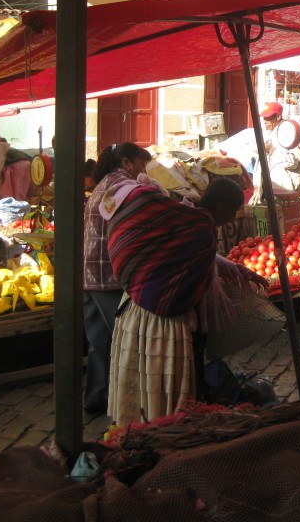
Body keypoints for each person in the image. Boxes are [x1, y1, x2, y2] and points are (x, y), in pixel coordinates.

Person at [102, 176, 254, 426]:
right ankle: (164, 429)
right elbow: (192, 272)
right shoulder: (201, 230)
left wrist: (236, 269)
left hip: (135, 310)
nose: (234, 215)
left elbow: (195, 259)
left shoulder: (185, 216)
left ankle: (140, 426)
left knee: (144, 382)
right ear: (220, 207)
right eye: (234, 209)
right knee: (167, 391)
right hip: (166, 323)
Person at [82, 142, 153, 415]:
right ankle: (128, 406)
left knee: (99, 342)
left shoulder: (103, 184)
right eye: (141, 165)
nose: (142, 171)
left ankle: (97, 398)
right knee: (125, 341)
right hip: (108, 275)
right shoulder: (121, 186)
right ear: (126, 162)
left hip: (91, 274)